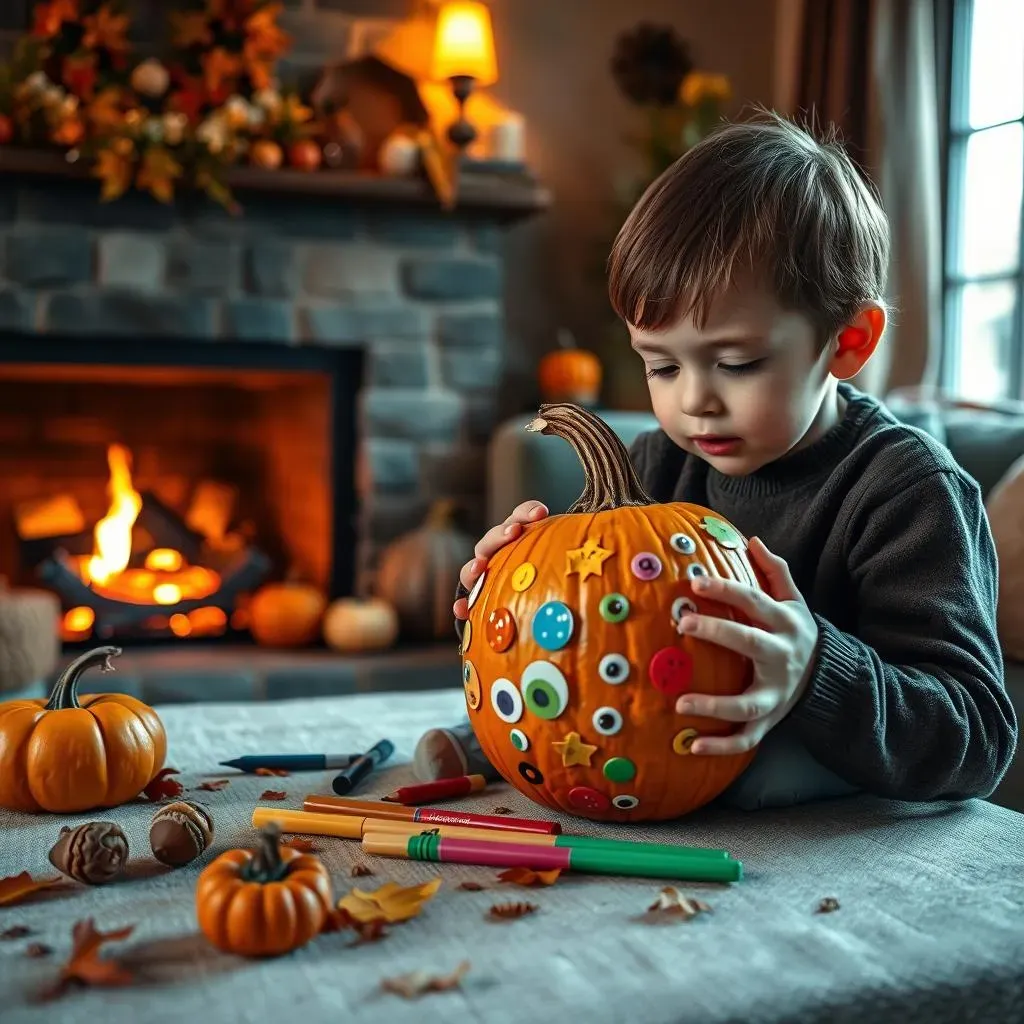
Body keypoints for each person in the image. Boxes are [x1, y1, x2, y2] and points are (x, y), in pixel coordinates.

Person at [414, 109, 1018, 810]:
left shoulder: (907, 491)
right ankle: (487, 737)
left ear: (848, 342)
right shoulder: (659, 464)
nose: (695, 401)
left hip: (822, 753)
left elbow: (977, 738)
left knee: (763, 767)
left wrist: (814, 668)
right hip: (659, 732)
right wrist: (513, 597)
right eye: (661, 366)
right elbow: (606, 645)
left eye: (736, 362)